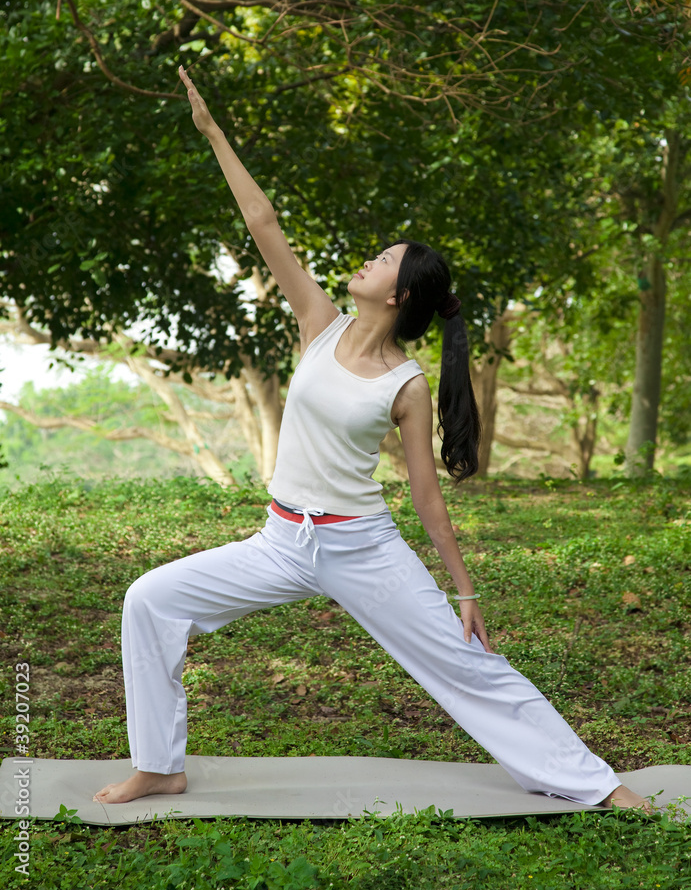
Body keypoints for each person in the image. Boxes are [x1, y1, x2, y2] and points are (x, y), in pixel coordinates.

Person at [93, 66, 647, 810]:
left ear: (398, 294)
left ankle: (595, 784)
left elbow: (426, 497)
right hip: (280, 540)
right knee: (149, 600)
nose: (368, 258)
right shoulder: (319, 325)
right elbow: (263, 224)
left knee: (466, 663)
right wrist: (213, 133)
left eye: (383, 259)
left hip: (361, 547)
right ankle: (159, 766)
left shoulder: (406, 385)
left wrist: (463, 589)